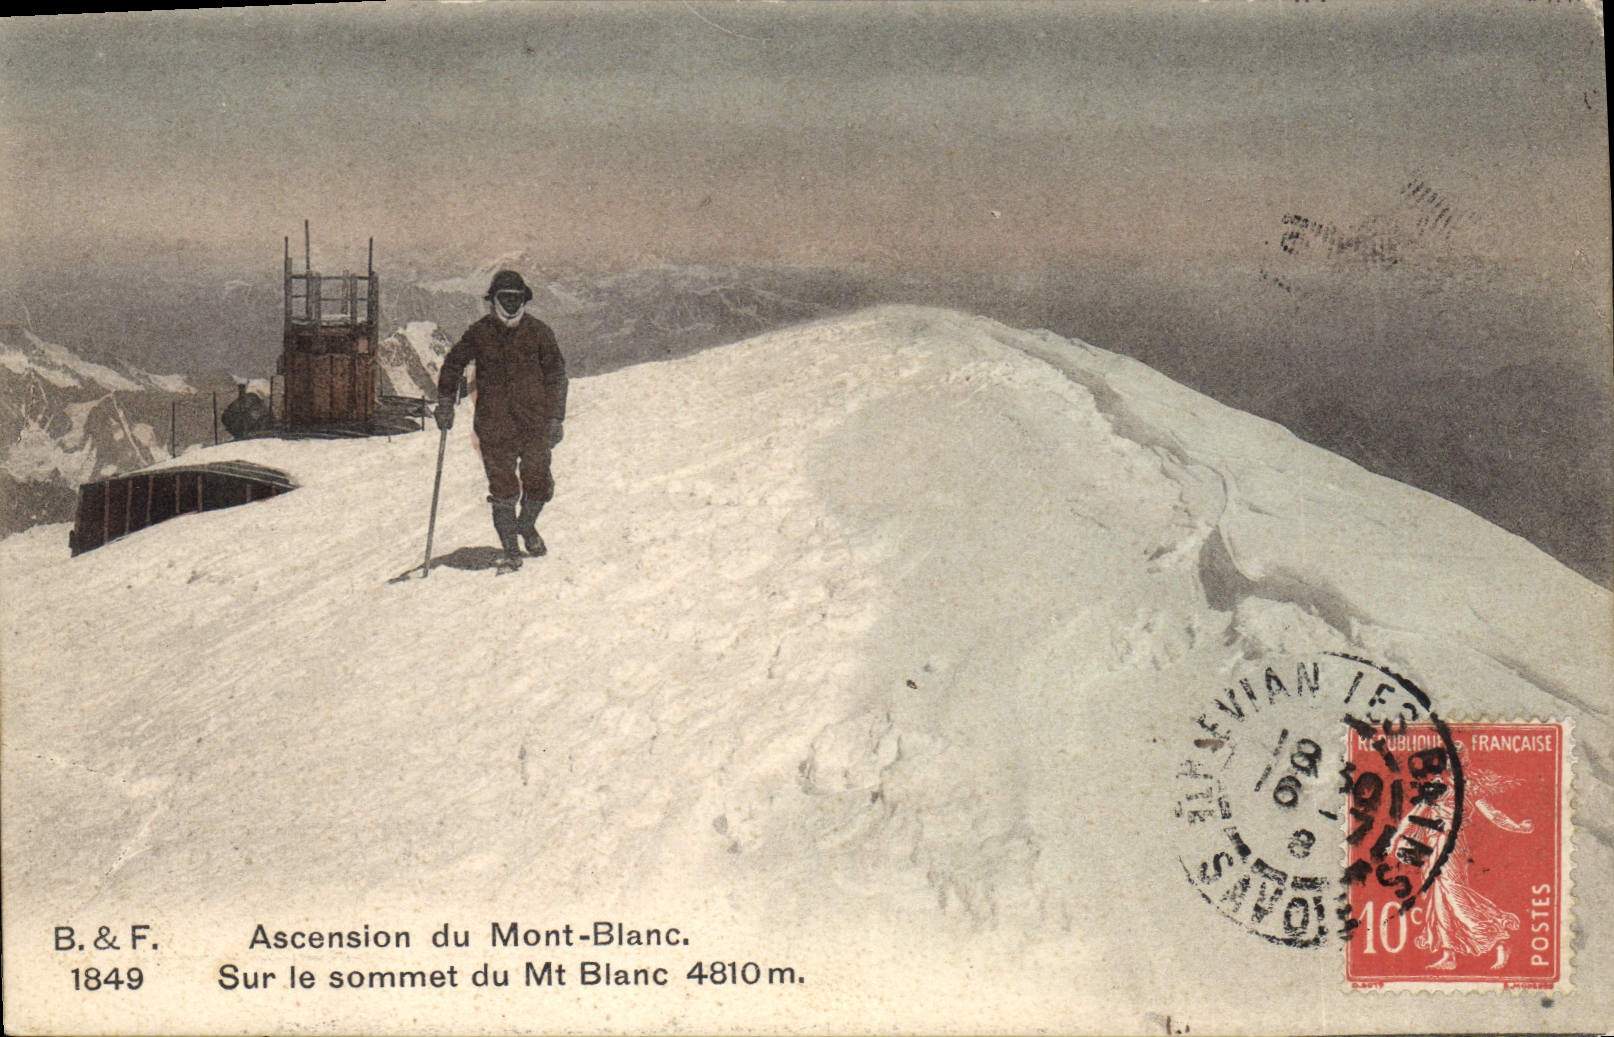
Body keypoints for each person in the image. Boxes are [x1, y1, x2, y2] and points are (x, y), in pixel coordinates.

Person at [434, 270, 567, 570]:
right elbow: (453, 363)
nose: (510, 304)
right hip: (495, 427)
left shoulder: (540, 333)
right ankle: (511, 550)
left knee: (539, 482)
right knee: (503, 488)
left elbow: (557, 375)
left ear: (525, 300)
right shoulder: (480, 333)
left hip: (535, 425)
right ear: (493, 300)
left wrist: (556, 417)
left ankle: (526, 527)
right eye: (504, 298)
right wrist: (445, 401)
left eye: (516, 298)